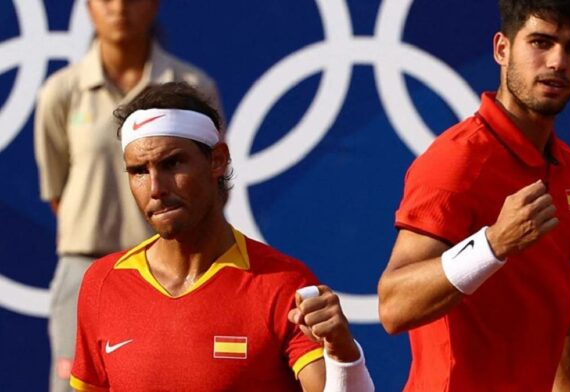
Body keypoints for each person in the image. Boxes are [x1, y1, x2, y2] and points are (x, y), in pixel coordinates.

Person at [68, 82, 374, 391]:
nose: (156, 188)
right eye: (138, 171)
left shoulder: (284, 285)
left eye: (171, 163)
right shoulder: (102, 283)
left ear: (217, 160)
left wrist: (344, 355)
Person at [377, 0, 570, 390]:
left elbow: (554, 305)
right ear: (502, 49)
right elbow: (393, 305)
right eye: (541, 42)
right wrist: (493, 244)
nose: (557, 61)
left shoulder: (569, 169)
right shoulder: (458, 161)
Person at [33, 1, 221, 390]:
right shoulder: (61, 92)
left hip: (172, 273)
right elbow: (58, 193)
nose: (118, 8)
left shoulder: (192, 87)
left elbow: (208, 187)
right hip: (83, 270)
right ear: (87, 8)